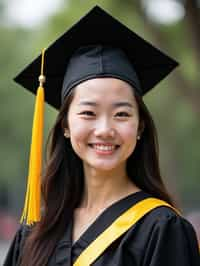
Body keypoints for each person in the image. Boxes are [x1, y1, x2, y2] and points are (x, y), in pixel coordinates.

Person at [4, 5, 200, 266]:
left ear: (140, 126)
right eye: (88, 113)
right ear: (65, 125)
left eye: (121, 114)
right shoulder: (36, 231)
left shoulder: (162, 230)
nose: (105, 129)